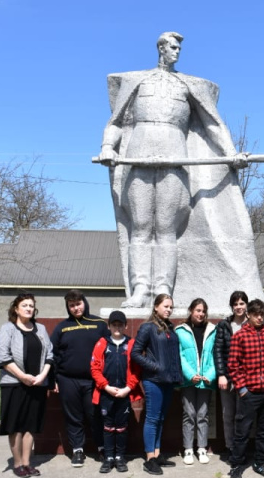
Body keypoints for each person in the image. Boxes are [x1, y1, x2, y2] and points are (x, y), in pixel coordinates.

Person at [100, 31, 251, 307]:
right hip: (139, 159)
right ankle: (141, 289)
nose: (176, 52)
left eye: (179, 48)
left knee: (166, 228)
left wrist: (231, 154)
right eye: (172, 47)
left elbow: (212, 123)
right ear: (160, 49)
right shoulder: (137, 81)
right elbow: (116, 122)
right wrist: (108, 147)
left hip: (175, 159)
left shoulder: (187, 85)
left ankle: (163, 292)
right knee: (142, 227)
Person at [0, 293, 53, 478]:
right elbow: (3, 357)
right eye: (25, 305)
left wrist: (42, 375)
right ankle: (18, 464)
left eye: (31, 306)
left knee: (30, 425)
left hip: (37, 384)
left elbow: (50, 355)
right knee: (16, 426)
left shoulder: (41, 329)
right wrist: (22, 377)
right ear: (16, 308)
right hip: (14, 384)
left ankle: (28, 463)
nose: (28, 308)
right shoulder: (8, 329)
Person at [50, 289, 108, 467]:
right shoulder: (62, 327)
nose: (76, 308)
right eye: (72, 305)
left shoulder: (99, 324)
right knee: (73, 417)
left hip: (93, 381)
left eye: (78, 303)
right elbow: (53, 355)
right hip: (68, 380)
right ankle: (77, 451)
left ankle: (101, 448)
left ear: (85, 302)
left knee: (95, 415)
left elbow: (109, 350)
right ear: (68, 307)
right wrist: (54, 379)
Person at [227, 299, 264, 478]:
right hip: (249, 392)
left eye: (262, 314)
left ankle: (260, 462)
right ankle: (236, 465)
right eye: (255, 314)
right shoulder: (240, 336)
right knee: (242, 431)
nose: (259, 318)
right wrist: (242, 389)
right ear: (248, 315)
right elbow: (233, 365)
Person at [133, 294, 182, 475]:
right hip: (153, 380)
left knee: (161, 418)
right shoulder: (147, 327)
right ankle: (149, 459)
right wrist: (155, 367)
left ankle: (158, 454)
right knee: (152, 418)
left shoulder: (170, 327)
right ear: (156, 307)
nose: (168, 310)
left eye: (171, 307)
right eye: (165, 306)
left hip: (168, 380)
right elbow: (136, 353)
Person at [91, 311, 140, 473]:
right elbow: (95, 368)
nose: (117, 327)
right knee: (108, 427)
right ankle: (108, 457)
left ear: (125, 326)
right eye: (114, 324)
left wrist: (128, 388)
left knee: (121, 427)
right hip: (107, 393)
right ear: (109, 326)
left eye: (120, 324)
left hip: (124, 393)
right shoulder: (102, 343)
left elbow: (136, 369)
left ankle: (120, 457)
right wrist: (106, 387)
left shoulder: (131, 343)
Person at [175, 298, 217, 465]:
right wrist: (190, 374)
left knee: (203, 415)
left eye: (203, 311)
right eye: (198, 310)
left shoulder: (212, 330)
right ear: (191, 311)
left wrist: (211, 374)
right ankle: (188, 449)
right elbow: (180, 356)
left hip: (205, 380)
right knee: (189, 414)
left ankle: (201, 448)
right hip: (188, 381)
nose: (201, 314)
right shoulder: (181, 331)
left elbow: (215, 355)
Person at [214, 290, 248, 458]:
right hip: (227, 377)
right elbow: (218, 350)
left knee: (244, 415)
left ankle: (243, 448)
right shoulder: (224, 325)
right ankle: (230, 447)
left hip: (247, 378)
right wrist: (221, 374)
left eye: (241, 303)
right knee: (228, 414)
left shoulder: (251, 324)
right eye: (235, 304)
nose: (239, 307)